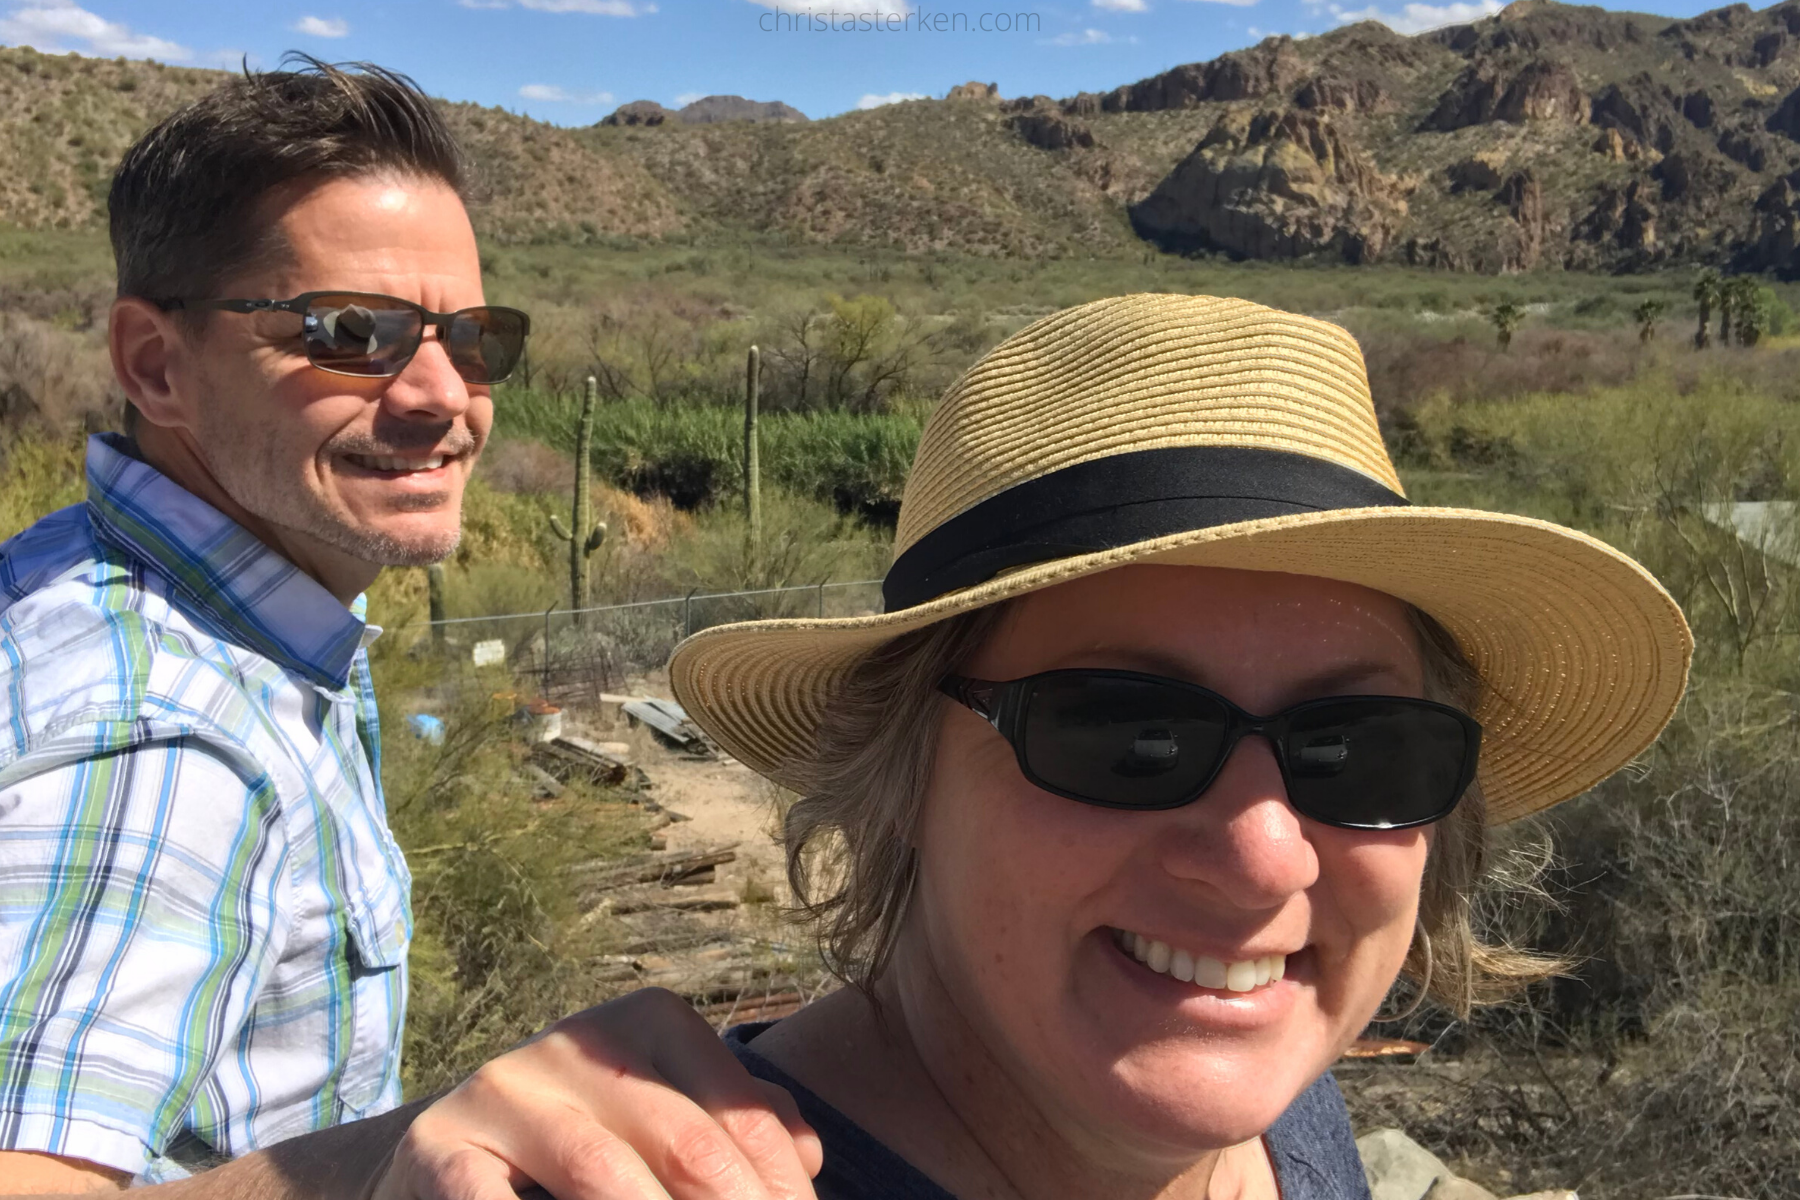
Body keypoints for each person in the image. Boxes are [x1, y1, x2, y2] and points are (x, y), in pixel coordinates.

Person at [364, 292, 1694, 1199]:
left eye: (1360, 748)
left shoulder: (1276, 1103)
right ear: (902, 784)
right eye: (1125, 734)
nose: (1258, 857)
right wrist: (346, 1170)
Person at [0, 57, 527, 1191]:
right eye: (351, 330)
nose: (445, 393)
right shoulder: (165, 734)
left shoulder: (74, 575)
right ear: (156, 364)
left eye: (472, 337)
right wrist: (414, 1153)